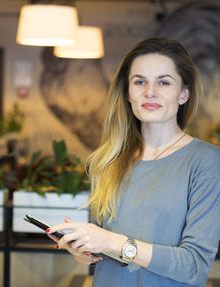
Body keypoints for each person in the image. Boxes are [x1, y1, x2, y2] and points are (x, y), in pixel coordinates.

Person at [46, 37, 220, 287]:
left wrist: (113, 242)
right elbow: (100, 252)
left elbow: (194, 267)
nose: (150, 91)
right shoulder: (107, 161)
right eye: (140, 82)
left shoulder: (207, 162)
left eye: (164, 82)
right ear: (127, 93)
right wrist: (84, 251)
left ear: (184, 94)